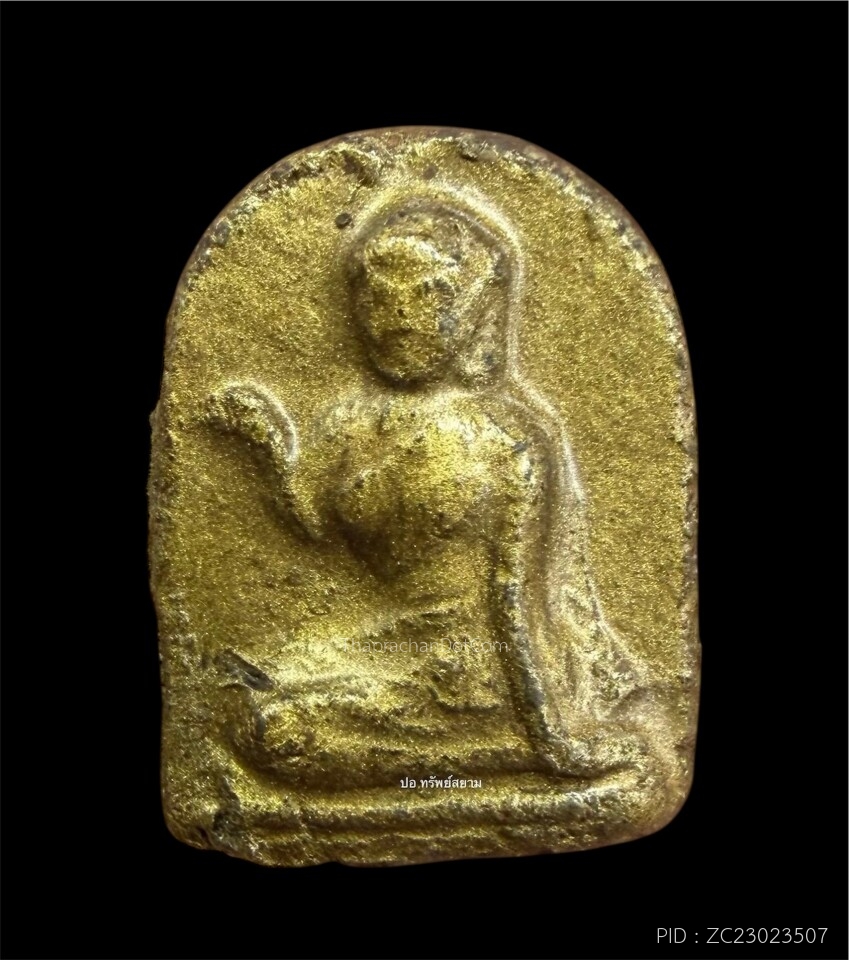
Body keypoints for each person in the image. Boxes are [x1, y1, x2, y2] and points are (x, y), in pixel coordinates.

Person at [209, 195, 648, 783]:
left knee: (281, 730)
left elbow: (518, 598)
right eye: (378, 297)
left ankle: (479, 765)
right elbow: (313, 521)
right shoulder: (349, 421)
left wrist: (557, 739)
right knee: (238, 690)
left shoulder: (505, 436)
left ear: (475, 304)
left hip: (476, 666)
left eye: (429, 294)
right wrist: (268, 443)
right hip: (387, 642)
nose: (399, 316)